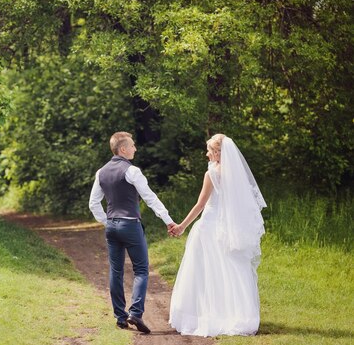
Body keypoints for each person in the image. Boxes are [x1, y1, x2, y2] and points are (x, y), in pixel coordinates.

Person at [168, 134, 266, 337]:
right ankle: (239, 315)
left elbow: (201, 205)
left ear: (218, 153)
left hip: (209, 227)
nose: (207, 154)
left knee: (205, 273)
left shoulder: (212, 173)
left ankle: (205, 316)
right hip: (229, 230)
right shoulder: (237, 175)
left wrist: (183, 226)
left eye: (210, 151)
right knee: (232, 271)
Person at [89, 131, 177, 333]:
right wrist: (169, 221)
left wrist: (107, 221)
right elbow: (150, 197)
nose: (135, 148)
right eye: (132, 145)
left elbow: (93, 203)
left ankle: (120, 317)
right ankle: (135, 313)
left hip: (111, 226)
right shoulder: (132, 171)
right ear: (122, 149)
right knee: (141, 270)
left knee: (116, 271)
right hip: (130, 225)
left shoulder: (101, 172)